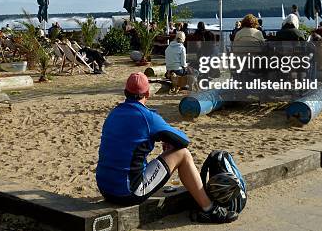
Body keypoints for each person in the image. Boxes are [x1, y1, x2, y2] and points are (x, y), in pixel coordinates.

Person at [96, 72, 237, 223]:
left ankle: (205, 204)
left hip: (104, 188)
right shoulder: (147, 117)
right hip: (128, 193)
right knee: (183, 154)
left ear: (125, 92)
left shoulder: (113, 113)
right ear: (148, 93)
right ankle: (209, 209)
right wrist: (166, 140)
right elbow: (183, 141)